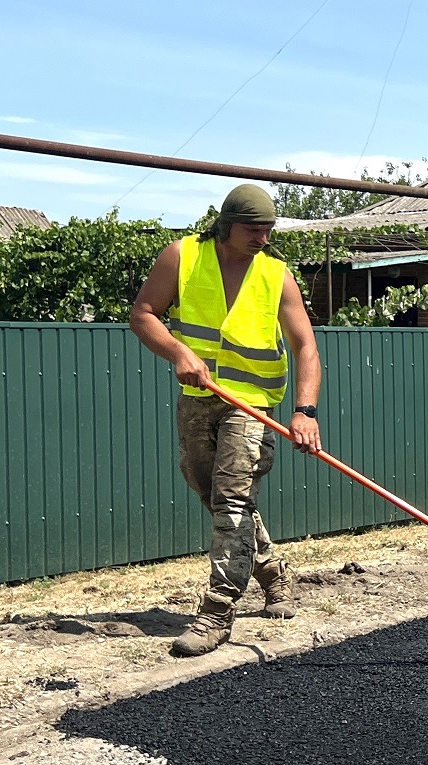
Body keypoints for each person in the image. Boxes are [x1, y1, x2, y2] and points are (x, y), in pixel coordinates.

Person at [129, 184, 323, 657]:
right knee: (210, 493)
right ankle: (272, 571)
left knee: (232, 500)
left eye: (268, 230)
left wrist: (305, 411)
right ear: (226, 224)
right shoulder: (183, 257)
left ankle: (216, 613)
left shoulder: (277, 276)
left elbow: (307, 348)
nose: (263, 238)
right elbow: (143, 314)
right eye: (254, 230)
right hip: (199, 397)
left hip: (252, 404)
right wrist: (178, 352)